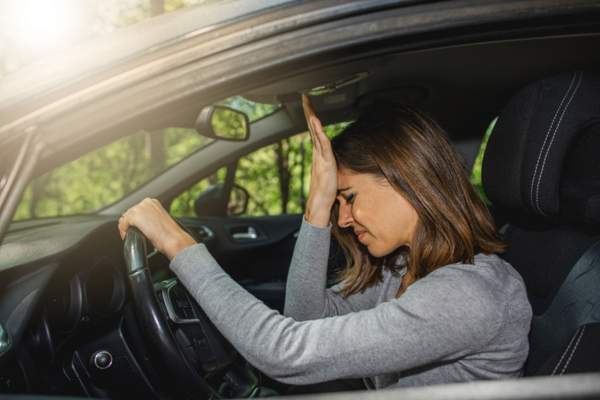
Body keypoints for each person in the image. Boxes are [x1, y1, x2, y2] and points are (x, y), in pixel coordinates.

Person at [118, 96, 532, 390]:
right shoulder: (407, 268)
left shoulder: (468, 295)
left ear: (407, 180)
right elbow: (306, 318)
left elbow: (284, 351)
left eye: (349, 198)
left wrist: (176, 242)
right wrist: (318, 207)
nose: (344, 219)